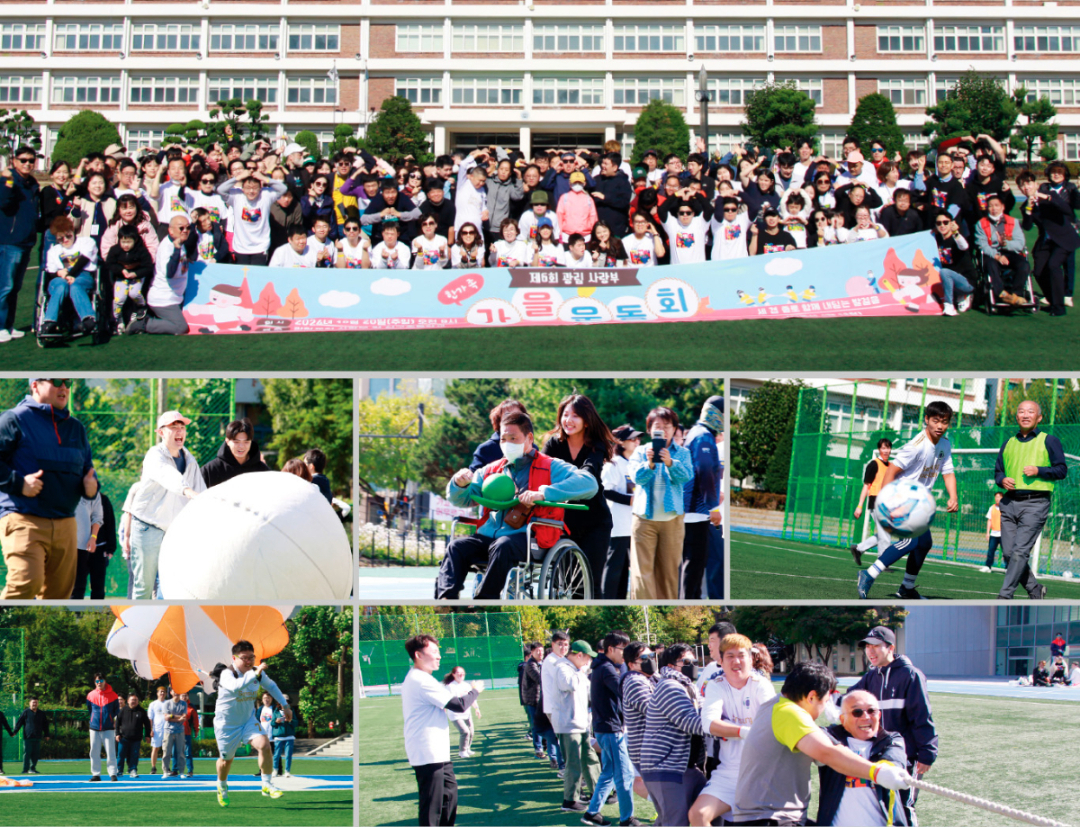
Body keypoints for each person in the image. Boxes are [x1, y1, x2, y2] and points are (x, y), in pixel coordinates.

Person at [436, 410, 597, 600]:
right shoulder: (491, 470)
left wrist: (543, 493)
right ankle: (446, 601)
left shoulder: (551, 465)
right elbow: (460, 500)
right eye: (503, 439)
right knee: (456, 547)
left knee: (504, 545)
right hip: (490, 537)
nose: (507, 444)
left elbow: (589, 483)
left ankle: (485, 602)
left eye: (513, 438)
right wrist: (458, 483)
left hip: (530, 537)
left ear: (529, 438)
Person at [733, 660, 912, 826]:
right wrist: (877, 772)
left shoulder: (775, 705)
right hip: (771, 818)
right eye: (825, 702)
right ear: (811, 697)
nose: (823, 710)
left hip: (764, 816)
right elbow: (827, 752)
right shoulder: (790, 713)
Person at [0, 378, 98, 600]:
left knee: (58, 598)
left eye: (68, 382)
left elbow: (88, 472)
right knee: (25, 584)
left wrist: (91, 488)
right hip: (23, 519)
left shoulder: (76, 428)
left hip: (66, 525)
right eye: (56, 381)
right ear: (35, 384)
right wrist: (20, 484)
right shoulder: (13, 419)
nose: (63, 387)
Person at [858, 401, 958, 600]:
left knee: (924, 543)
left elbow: (948, 472)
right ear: (926, 420)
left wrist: (953, 497)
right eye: (936, 421)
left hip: (920, 502)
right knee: (911, 542)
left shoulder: (945, 444)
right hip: (902, 498)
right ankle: (868, 574)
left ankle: (906, 588)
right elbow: (892, 470)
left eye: (944, 422)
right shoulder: (916, 446)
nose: (940, 426)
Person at [847, 626, 937, 825]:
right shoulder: (871, 677)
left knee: (904, 806)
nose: (870, 651)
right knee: (880, 805)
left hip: (907, 757)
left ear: (890, 647)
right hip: (878, 754)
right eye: (867, 646)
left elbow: (922, 716)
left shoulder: (910, 675)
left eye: (876, 646)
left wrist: (927, 752)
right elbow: (850, 697)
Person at [689, 634, 775, 827]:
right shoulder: (716, 685)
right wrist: (745, 731)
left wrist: (728, 729)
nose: (736, 661)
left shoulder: (761, 685)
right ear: (721, 660)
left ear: (751, 659)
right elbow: (709, 723)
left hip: (760, 773)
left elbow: (770, 726)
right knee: (697, 815)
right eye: (730, 656)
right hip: (728, 772)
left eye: (741, 655)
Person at [401, 634, 482, 826]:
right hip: (427, 752)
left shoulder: (423, 678)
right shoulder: (421, 680)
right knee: (432, 806)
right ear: (418, 655)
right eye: (434, 652)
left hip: (437, 752)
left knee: (449, 796)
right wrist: (475, 690)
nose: (439, 656)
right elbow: (459, 705)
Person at [541, 394, 616, 594]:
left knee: (590, 584)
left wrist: (558, 489)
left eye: (575, 416)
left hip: (595, 522)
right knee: (566, 586)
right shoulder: (553, 445)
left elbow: (589, 474)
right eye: (565, 415)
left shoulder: (596, 445)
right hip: (563, 522)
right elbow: (541, 474)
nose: (569, 420)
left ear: (586, 421)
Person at [127, 411, 207, 599]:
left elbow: (201, 491)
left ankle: (162, 625)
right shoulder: (154, 455)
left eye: (182, 427)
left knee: (170, 586)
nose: (179, 432)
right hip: (147, 527)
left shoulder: (190, 459)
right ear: (161, 432)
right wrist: (187, 491)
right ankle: (140, 626)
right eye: (173, 427)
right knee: (143, 588)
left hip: (173, 531)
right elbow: (167, 475)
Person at [995, 400, 1068, 600]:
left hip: (1035, 503)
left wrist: (1039, 470)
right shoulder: (1008, 442)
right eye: (1021, 411)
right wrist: (1002, 480)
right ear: (1016, 416)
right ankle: (1035, 589)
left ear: (1039, 417)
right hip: (1009, 503)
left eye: (1030, 411)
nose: (1025, 415)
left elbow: (1062, 470)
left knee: (1019, 552)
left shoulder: (1049, 440)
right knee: (1009, 554)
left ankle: (1005, 596)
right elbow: (998, 471)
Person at [211, 639, 293, 807]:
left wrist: (285, 706)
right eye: (244, 658)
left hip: (247, 720)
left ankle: (267, 784)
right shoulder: (228, 674)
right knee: (226, 761)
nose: (248, 662)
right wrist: (255, 673)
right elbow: (236, 687)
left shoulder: (257, 672)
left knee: (264, 744)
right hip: (226, 725)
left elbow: (271, 686)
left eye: (251, 657)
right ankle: (222, 785)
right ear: (234, 658)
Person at [816, 690, 909, 827]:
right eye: (857, 712)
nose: (866, 717)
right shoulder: (828, 737)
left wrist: (888, 770)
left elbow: (894, 761)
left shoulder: (892, 739)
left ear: (879, 715)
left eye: (872, 711)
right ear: (842, 719)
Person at [629, 407, 694, 600]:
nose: (663, 430)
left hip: (672, 520)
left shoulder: (682, 453)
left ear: (675, 429)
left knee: (668, 574)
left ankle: (667, 611)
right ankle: (642, 610)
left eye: (667, 426)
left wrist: (671, 463)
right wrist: (649, 464)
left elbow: (687, 476)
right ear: (649, 429)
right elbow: (636, 478)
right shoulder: (640, 451)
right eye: (658, 426)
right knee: (642, 573)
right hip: (643, 519)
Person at [639, 643, 706, 826]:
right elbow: (692, 722)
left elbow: (706, 710)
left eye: (694, 661)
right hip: (666, 767)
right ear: (670, 666)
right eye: (685, 661)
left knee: (709, 812)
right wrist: (731, 728)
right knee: (675, 823)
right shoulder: (670, 686)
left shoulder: (687, 687)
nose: (692, 665)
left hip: (685, 767)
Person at [584, 631, 639, 827]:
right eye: (622, 649)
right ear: (610, 649)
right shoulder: (607, 669)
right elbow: (624, 691)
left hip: (605, 728)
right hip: (611, 729)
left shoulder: (603, 666)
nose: (624, 654)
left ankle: (592, 812)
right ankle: (627, 819)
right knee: (625, 775)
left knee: (608, 772)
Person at [1019, 169, 1080, 316]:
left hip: (1064, 238)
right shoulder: (1026, 205)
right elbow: (1027, 226)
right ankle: (1053, 300)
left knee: (1053, 265)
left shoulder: (1050, 195)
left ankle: (1059, 307)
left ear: (1035, 184)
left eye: (1029, 184)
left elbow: (1066, 209)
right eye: (1022, 186)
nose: (1026, 188)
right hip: (1046, 241)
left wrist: (1045, 198)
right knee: (1039, 271)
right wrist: (1028, 208)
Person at [681, 396, 724, 600]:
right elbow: (705, 471)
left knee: (693, 567)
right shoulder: (703, 437)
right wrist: (712, 507)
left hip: (691, 511)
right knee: (693, 567)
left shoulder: (697, 433)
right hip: (695, 512)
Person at [125, 215, 195, 336]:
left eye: (188, 228)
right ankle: (144, 323)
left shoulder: (179, 242)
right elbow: (170, 274)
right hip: (164, 299)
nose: (185, 231)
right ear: (171, 230)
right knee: (180, 327)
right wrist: (177, 251)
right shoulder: (168, 248)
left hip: (175, 296)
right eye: (181, 228)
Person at [553, 640, 600, 814]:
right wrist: (582, 671)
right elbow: (570, 685)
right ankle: (570, 800)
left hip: (580, 723)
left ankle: (598, 791)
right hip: (568, 724)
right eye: (587, 657)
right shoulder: (562, 667)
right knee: (573, 763)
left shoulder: (574, 669)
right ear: (579, 655)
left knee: (590, 757)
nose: (589, 661)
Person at [0, 146, 41, 342]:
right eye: (23, 160)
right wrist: (7, 180)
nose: (27, 163)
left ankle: (9, 324)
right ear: (14, 161)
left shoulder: (32, 183)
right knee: (5, 286)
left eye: (31, 160)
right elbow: (3, 202)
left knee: (16, 287)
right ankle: (0, 326)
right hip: (10, 241)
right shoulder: (9, 180)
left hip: (27, 241)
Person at [41, 215, 99, 336]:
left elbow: (83, 260)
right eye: (61, 238)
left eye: (68, 236)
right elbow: (51, 271)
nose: (65, 240)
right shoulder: (53, 250)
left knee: (76, 285)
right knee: (61, 286)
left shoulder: (86, 242)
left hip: (82, 275)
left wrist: (70, 274)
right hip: (60, 278)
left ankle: (88, 319)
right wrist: (60, 273)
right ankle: (49, 322)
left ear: (73, 231)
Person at [601, 425, 641, 600]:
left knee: (625, 569)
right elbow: (606, 490)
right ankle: (606, 600)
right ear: (621, 443)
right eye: (632, 439)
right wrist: (629, 500)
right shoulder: (614, 463)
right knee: (614, 567)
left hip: (633, 525)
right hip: (617, 525)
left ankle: (619, 600)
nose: (637, 441)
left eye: (637, 438)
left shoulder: (635, 463)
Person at [217, 169, 289, 265]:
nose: (251, 191)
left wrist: (264, 178)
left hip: (260, 247)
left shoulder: (266, 195)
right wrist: (239, 177)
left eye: (255, 188)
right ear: (242, 189)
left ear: (260, 188)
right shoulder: (236, 196)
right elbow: (220, 189)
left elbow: (283, 188)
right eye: (248, 188)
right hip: (241, 247)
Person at [975, 193, 1030, 307]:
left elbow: (1020, 244)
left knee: (1023, 265)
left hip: (1010, 252)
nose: (994, 208)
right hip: (992, 254)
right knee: (990, 265)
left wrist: (1005, 244)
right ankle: (1002, 294)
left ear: (1002, 207)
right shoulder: (981, 224)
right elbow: (982, 245)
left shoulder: (1013, 222)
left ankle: (1016, 295)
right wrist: (997, 256)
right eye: (990, 206)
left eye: (997, 205)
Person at [620, 642, 656, 809]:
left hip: (650, 746)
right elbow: (653, 710)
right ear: (631, 664)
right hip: (647, 747)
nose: (650, 660)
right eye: (644, 658)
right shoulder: (634, 681)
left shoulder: (649, 678)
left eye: (651, 656)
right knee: (662, 793)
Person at [849, 438, 893, 566]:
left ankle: (858, 548)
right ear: (879, 450)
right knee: (885, 533)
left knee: (885, 532)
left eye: (888, 448)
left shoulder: (890, 466)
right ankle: (882, 563)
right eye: (883, 448)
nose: (886, 450)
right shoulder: (873, 464)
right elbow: (866, 486)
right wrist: (859, 506)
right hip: (876, 502)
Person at [104, 224, 154, 334]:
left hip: (137, 277)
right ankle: (117, 319)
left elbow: (148, 267)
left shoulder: (141, 251)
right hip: (121, 277)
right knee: (119, 298)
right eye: (123, 242)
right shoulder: (115, 250)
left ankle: (140, 307)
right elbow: (109, 264)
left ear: (135, 240)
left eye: (129, 242)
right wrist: (121, 270)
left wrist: (136, 273)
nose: (126, 245)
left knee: (134, 293)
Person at [201, 418, 271, 488]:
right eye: (236, 442)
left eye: (246, 442)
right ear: (227, 441)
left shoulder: (262, 471)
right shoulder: (211, 470)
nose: (241, 446)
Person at [71, 490, 105, 600]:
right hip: (60, 544)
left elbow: (97, 516)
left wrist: (93, 537)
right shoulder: (61, 482)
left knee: (79, 585)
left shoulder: (92, 489)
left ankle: (75, 615)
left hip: (82, 545)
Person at [442, 666, 482, 759]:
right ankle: (462, 751)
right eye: (458, 673)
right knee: (465, 732)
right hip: (455, 714)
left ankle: (467, 748)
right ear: (453, 674)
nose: (461, 675)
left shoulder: (466, 685)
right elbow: (448, 701)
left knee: (471, 732)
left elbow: (471, 698)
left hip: (466, 714)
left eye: (462, 673)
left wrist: (477, 708)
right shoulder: (450, 686)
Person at [87, 673, 120, 783]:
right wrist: (93, 720)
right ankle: (96, 774)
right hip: (94, 728)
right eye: (97, 681)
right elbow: (90, 710)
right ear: (94, 682)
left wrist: (111, 720)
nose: (99, 683)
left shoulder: (113, 695)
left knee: (111, 752)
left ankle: (113, 774)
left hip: (108, 728)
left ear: (105, 681)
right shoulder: (90, 695)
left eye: (101, 680)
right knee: (94, 751)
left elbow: (116, 710)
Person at [115, 693, 151, 779]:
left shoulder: (141, 711)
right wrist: (117, 734)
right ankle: (119, 770)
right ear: (128, 701)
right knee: (121, 755)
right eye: (132, 700)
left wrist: (147, 735)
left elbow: (147, 724)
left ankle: (133, 770)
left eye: (135, 700)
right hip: (123, 738)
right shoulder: (122, 710)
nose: (134, 702)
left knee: (134, 755)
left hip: (136, 738)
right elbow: (117, 723)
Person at [12, 697, 49, 774]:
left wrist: (46, 734)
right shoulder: (25, 712)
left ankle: (32, 769)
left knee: (36, 754)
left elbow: (45, 725)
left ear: (38, 704)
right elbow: (19, 722)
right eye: (33, 702)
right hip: (28, 737)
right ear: (30, 703)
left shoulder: (41, 713)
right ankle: (25, 770)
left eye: (36, 702)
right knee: (27, 753)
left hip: (37, 737)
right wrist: (15, 731)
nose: (34, 704)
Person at [520, 643, 544, 758]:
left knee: (543, 725)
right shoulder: (530, 665)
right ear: (532, 652)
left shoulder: (541, 663)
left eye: (542, 651)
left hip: (540, 700)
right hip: (533, 701)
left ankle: (543, 746)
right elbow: (540, 679)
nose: (540, 653)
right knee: (536, 725)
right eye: (538, 651)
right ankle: (538, 749)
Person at [161, 685, 186, 779]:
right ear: (171, 692)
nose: (176, 693)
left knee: (181, 752)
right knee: (166, 752)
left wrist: (172, 716)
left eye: (177, 690)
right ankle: (165, 771)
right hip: (168, 731)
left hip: (180, 731)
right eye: (174, 691)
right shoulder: (167, 703)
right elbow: (166, 718)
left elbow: (184, 718)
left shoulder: (183, 703)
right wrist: (178, 717)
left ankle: (182, 772)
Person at [272, 693, 296, 777]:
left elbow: (296, 723)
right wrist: (276, 721)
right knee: (276, 755)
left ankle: (287, 771)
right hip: (279, 736)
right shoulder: (276, 712)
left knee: (288, 755)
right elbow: (272, 723)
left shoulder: (291, 712)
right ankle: (275, 770)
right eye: (283, 702)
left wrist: (290, 721)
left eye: (287, 702)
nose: (285, 704)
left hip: (289, 736)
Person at [148, 685, 169, 775]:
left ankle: (166, 767)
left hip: (167, 730)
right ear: (157, 693)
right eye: (160, 692)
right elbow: (150, 718)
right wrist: (151, 729)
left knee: (167, 749)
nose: (162, 693)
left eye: (164, 692)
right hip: (156, 730)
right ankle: (153, 767)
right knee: (155, 748)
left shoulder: (168, 703)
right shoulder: (153, 704)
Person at [981, 491, 1004, 572]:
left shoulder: (1006, 508)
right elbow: (989, 520)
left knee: (1006, 552)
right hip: (993, 533)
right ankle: (988, 566)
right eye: (996, 497)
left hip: (1003, 534)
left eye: (999, 497)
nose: (997, 499)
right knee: (991, 550)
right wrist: (987, 532)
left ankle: (1009, 568)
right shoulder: (992, 508)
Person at [182, 692, 199, 778]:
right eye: (182, 695)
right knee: (176, 753)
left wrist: (196, 730)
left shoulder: (192, 707)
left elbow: (195, 720)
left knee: (188, 753)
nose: (184, 697)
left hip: (187, 734)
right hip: (176, 733)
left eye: (185, 695)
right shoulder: (175, 705)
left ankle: (190, 771)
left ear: (188, 696)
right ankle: (175, 770)